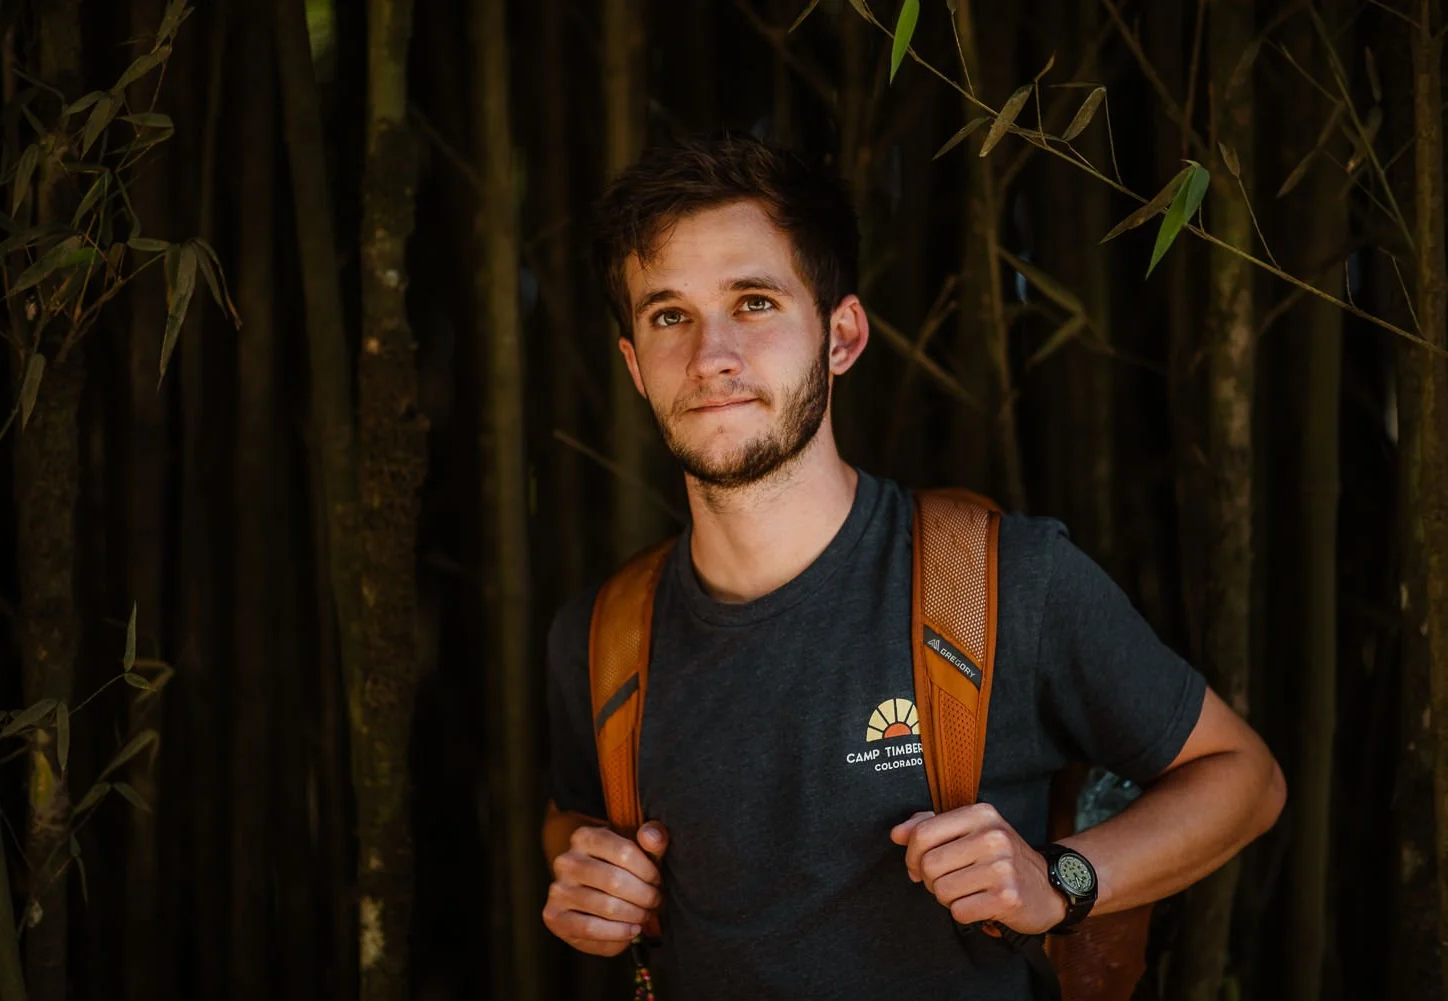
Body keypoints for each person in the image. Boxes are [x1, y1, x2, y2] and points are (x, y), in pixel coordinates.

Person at [541, 133, 1285, 999]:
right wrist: (582, 871)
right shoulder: (602, 636)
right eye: (669, 315)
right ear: (634, 363)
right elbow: (573, 813)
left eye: (753, 302)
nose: (712, 355)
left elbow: (1245, 780)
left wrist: (1061, 881)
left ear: (840, 336)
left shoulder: (1007, 583)